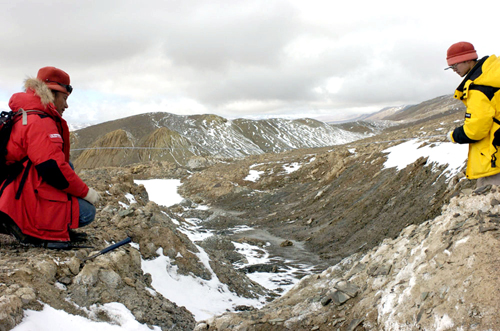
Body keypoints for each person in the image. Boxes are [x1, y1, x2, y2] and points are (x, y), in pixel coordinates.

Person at [0, 66, 100, 245]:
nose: (66, 105)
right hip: (22, 199)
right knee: (87, 212)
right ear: (52, 94)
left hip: (15, 190)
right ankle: (34, 230)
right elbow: (52, 168)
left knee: (67, 165)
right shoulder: (40, 122)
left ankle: (27, 220)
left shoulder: (25, 114)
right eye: (64, 98)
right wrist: (86, 192)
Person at [446, 42, 500, 188]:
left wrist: (454, 135)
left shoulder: (478, 87)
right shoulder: (493, 74)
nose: (453, 69)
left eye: (455, 65)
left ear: (468, 59)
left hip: (495, 156)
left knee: (490, 198)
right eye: (451, 67)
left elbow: (475, 130)